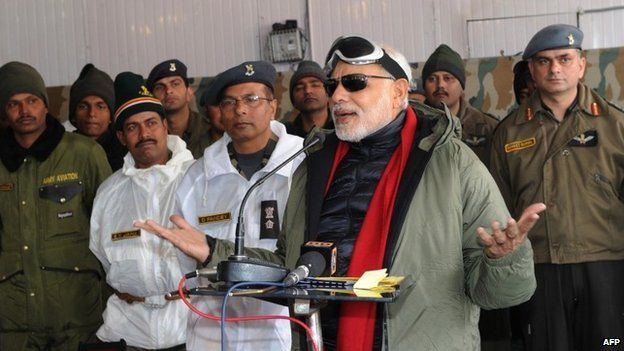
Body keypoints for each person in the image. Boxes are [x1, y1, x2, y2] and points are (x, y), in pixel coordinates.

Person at [137, 35, 546, 351]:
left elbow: (502, 294)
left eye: (355, 83)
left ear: (399, 92)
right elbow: (289, 265)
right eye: (334, 85)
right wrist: (215, 251)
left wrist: (505, 258)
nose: (336, 96)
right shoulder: (312, 162)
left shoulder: (451, 163)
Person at [490, 24, 624, 351]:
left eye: (564, 58)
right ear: (532, 71)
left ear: (581, 64)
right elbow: (498, 207)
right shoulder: (508, 133)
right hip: (538, 267)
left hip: (605, 265)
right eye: (543, 61)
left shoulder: (615, 126)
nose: (554, 69)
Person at [175, 61, 304, 350]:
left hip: (278, 329)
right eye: (229, 102)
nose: (240, 110)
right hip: (213, 330)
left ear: (273, 106)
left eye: (251, 99)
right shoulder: (199, 176)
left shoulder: (302, 165)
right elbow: (184, 262)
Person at [0, 61, 112, 350]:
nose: (25, 111)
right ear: (4, 110)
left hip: (78, 316)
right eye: (14, 103)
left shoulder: (84, 153)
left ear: (46, 105)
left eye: (32, 101)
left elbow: (111, 229)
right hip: (13, 322)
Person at [89, 72, 194, 350]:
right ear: (122, 137)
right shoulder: (109, 192)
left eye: (151, 123)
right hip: (128, 331)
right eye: (133, 127)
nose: (144, 134)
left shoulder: (199, 178)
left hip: (190, 327)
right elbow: (101, 254)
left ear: (165, 126)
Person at [422, 44, 499, 166]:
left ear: (462, 86)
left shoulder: (488, 128)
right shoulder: (413, 126)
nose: (440, 85)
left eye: (447, 78)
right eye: (432, 79)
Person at [147, 59, 211, 158]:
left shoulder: (210, 130)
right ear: (152, 97)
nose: (168, 91)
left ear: (189, 92)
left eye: (175, 84)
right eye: (160, 87)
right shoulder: (148, 136)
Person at [69, 63, 126, 171]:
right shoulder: (63, 150)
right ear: (73, 116)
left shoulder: (126, 150)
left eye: (100, 106)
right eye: (83, 106)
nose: (91, 113)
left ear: (111, 116)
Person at [283, 60, 333, 137]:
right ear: (293, 101)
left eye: (315, 85)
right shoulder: (285, 135)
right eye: (300, 87)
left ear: (328, 94)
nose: (308, 91)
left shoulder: (343, 129)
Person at [197, 77, 225, 144]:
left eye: (229, 102)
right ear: (206, 110)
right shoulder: (192, 149)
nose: (223, 111)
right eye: (216, 104)